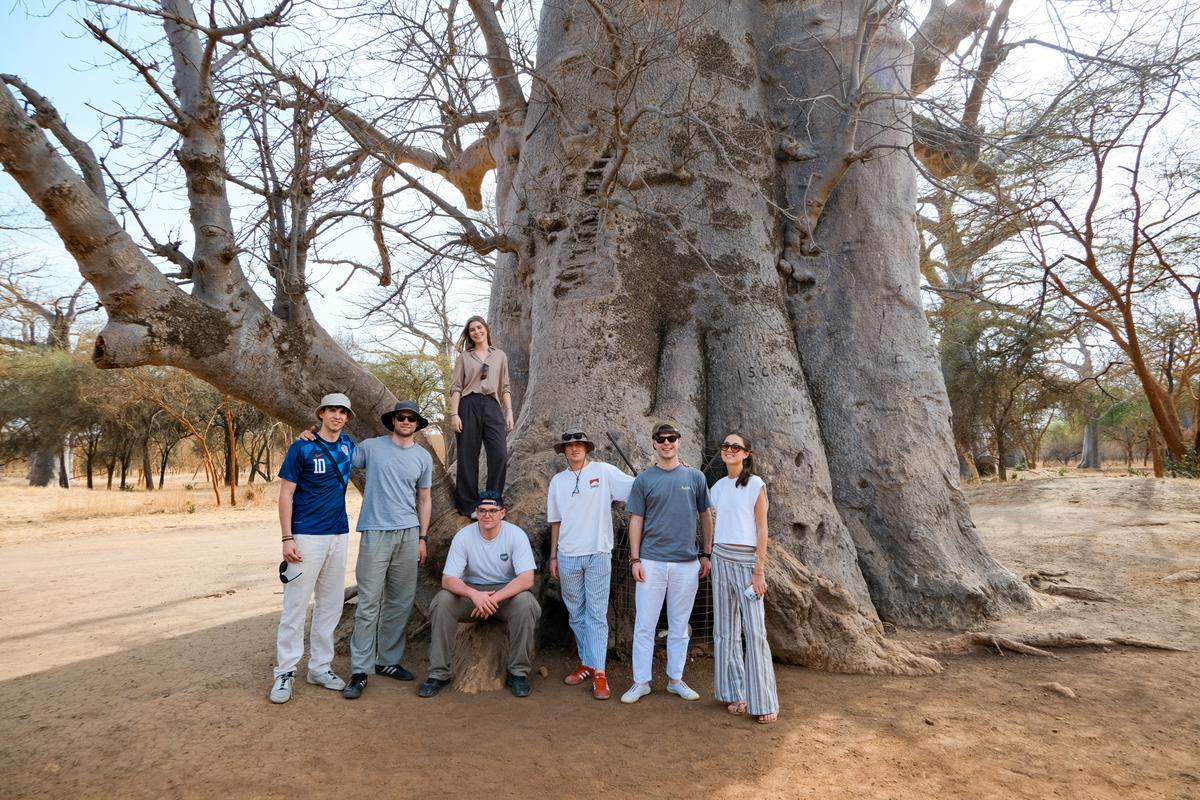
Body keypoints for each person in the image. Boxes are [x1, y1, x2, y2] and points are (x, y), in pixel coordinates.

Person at [340, 400, 433, 700]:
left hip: (408, 534)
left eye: (411, 418)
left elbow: (425, 499)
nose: (406, 422)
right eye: (401, 417)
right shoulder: (372, 447)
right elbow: (341, 455)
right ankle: (360, 670)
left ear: (417, 424)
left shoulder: (422, 457)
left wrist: (423, 537)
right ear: (393, 421)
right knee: (369, 602)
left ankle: (388, 661)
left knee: (401, 601)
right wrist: (312, 437)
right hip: (375, 532)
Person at [269, 393, 356, 704]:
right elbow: (286, 495)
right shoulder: (302, 446)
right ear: (322, 413)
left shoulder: (348, 446)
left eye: (342, 412)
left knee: (330, 605)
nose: (337, 416)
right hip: (305, 535)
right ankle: (285, 672)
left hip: (338, 534)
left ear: (347, 417)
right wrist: (286, 538)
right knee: (295, 605)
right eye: (332, 410)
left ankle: (320, 667)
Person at [621, 422, 714, 704]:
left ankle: (675, 679)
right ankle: (641, 681)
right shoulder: (645, 480)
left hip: (687, 562)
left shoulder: (695, 477)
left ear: (679, 441)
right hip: (651, 561)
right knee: (645, 625)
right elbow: (636, 520)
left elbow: (705, 516)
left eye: (671, 438)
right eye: (661, 439)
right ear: (653, 443)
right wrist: (635, 558)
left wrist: (706, 553)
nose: (666, 443)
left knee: (679, 624)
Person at [418, 491, 541, 699]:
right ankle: (439, 673)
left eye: (493, 510)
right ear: (476, 513)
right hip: (472, 595)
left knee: (526, 603)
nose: (487, 515)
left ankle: (518, 673)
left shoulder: (515, 535)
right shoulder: (464, 536)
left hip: (503, 595)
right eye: (482, 510)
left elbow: (526, 579)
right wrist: (474, 595)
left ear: (502, 513)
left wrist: (492, 599)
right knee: (442, 601)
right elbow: (448, 580)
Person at [546, 428, 634, 700]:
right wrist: (552, 556)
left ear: (587, 448)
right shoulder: (558, 481)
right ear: (563, 450)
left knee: (596, 613)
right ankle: (587, 661)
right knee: (576, 612)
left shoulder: (604, 472)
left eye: (579, 445)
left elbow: (637, 486)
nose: (574, 449)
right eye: (569, 445)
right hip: (568, 555)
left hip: (597, 553)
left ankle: (600, 673)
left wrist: (668, 470)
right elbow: (555, 522)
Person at [710, 432, 779, 724]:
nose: (729, 450)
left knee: (754, 632)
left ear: (746, 453)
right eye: (726, 446)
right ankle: (735, 692)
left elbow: (762, 529)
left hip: (747, 562)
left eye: (735, 447)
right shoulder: (717, 487)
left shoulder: (755, 484)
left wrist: (759, 570)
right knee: (725, 630)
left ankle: (764, 700)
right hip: (720, 558)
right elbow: (712, 520)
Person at [449, 316, 514, 516]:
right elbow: (457, 387)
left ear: (486, 329)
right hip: (468, 405)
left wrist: (509, 411)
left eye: (479, 327)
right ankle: (468, 506)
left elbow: (505, 386)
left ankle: (492, 499)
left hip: (493, 406)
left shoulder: (500, 355)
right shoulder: (464, 357)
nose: (476, 332)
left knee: (500, 455)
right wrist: (454, 414)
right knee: (468, 456)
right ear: (469, 335)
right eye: (472, 330)